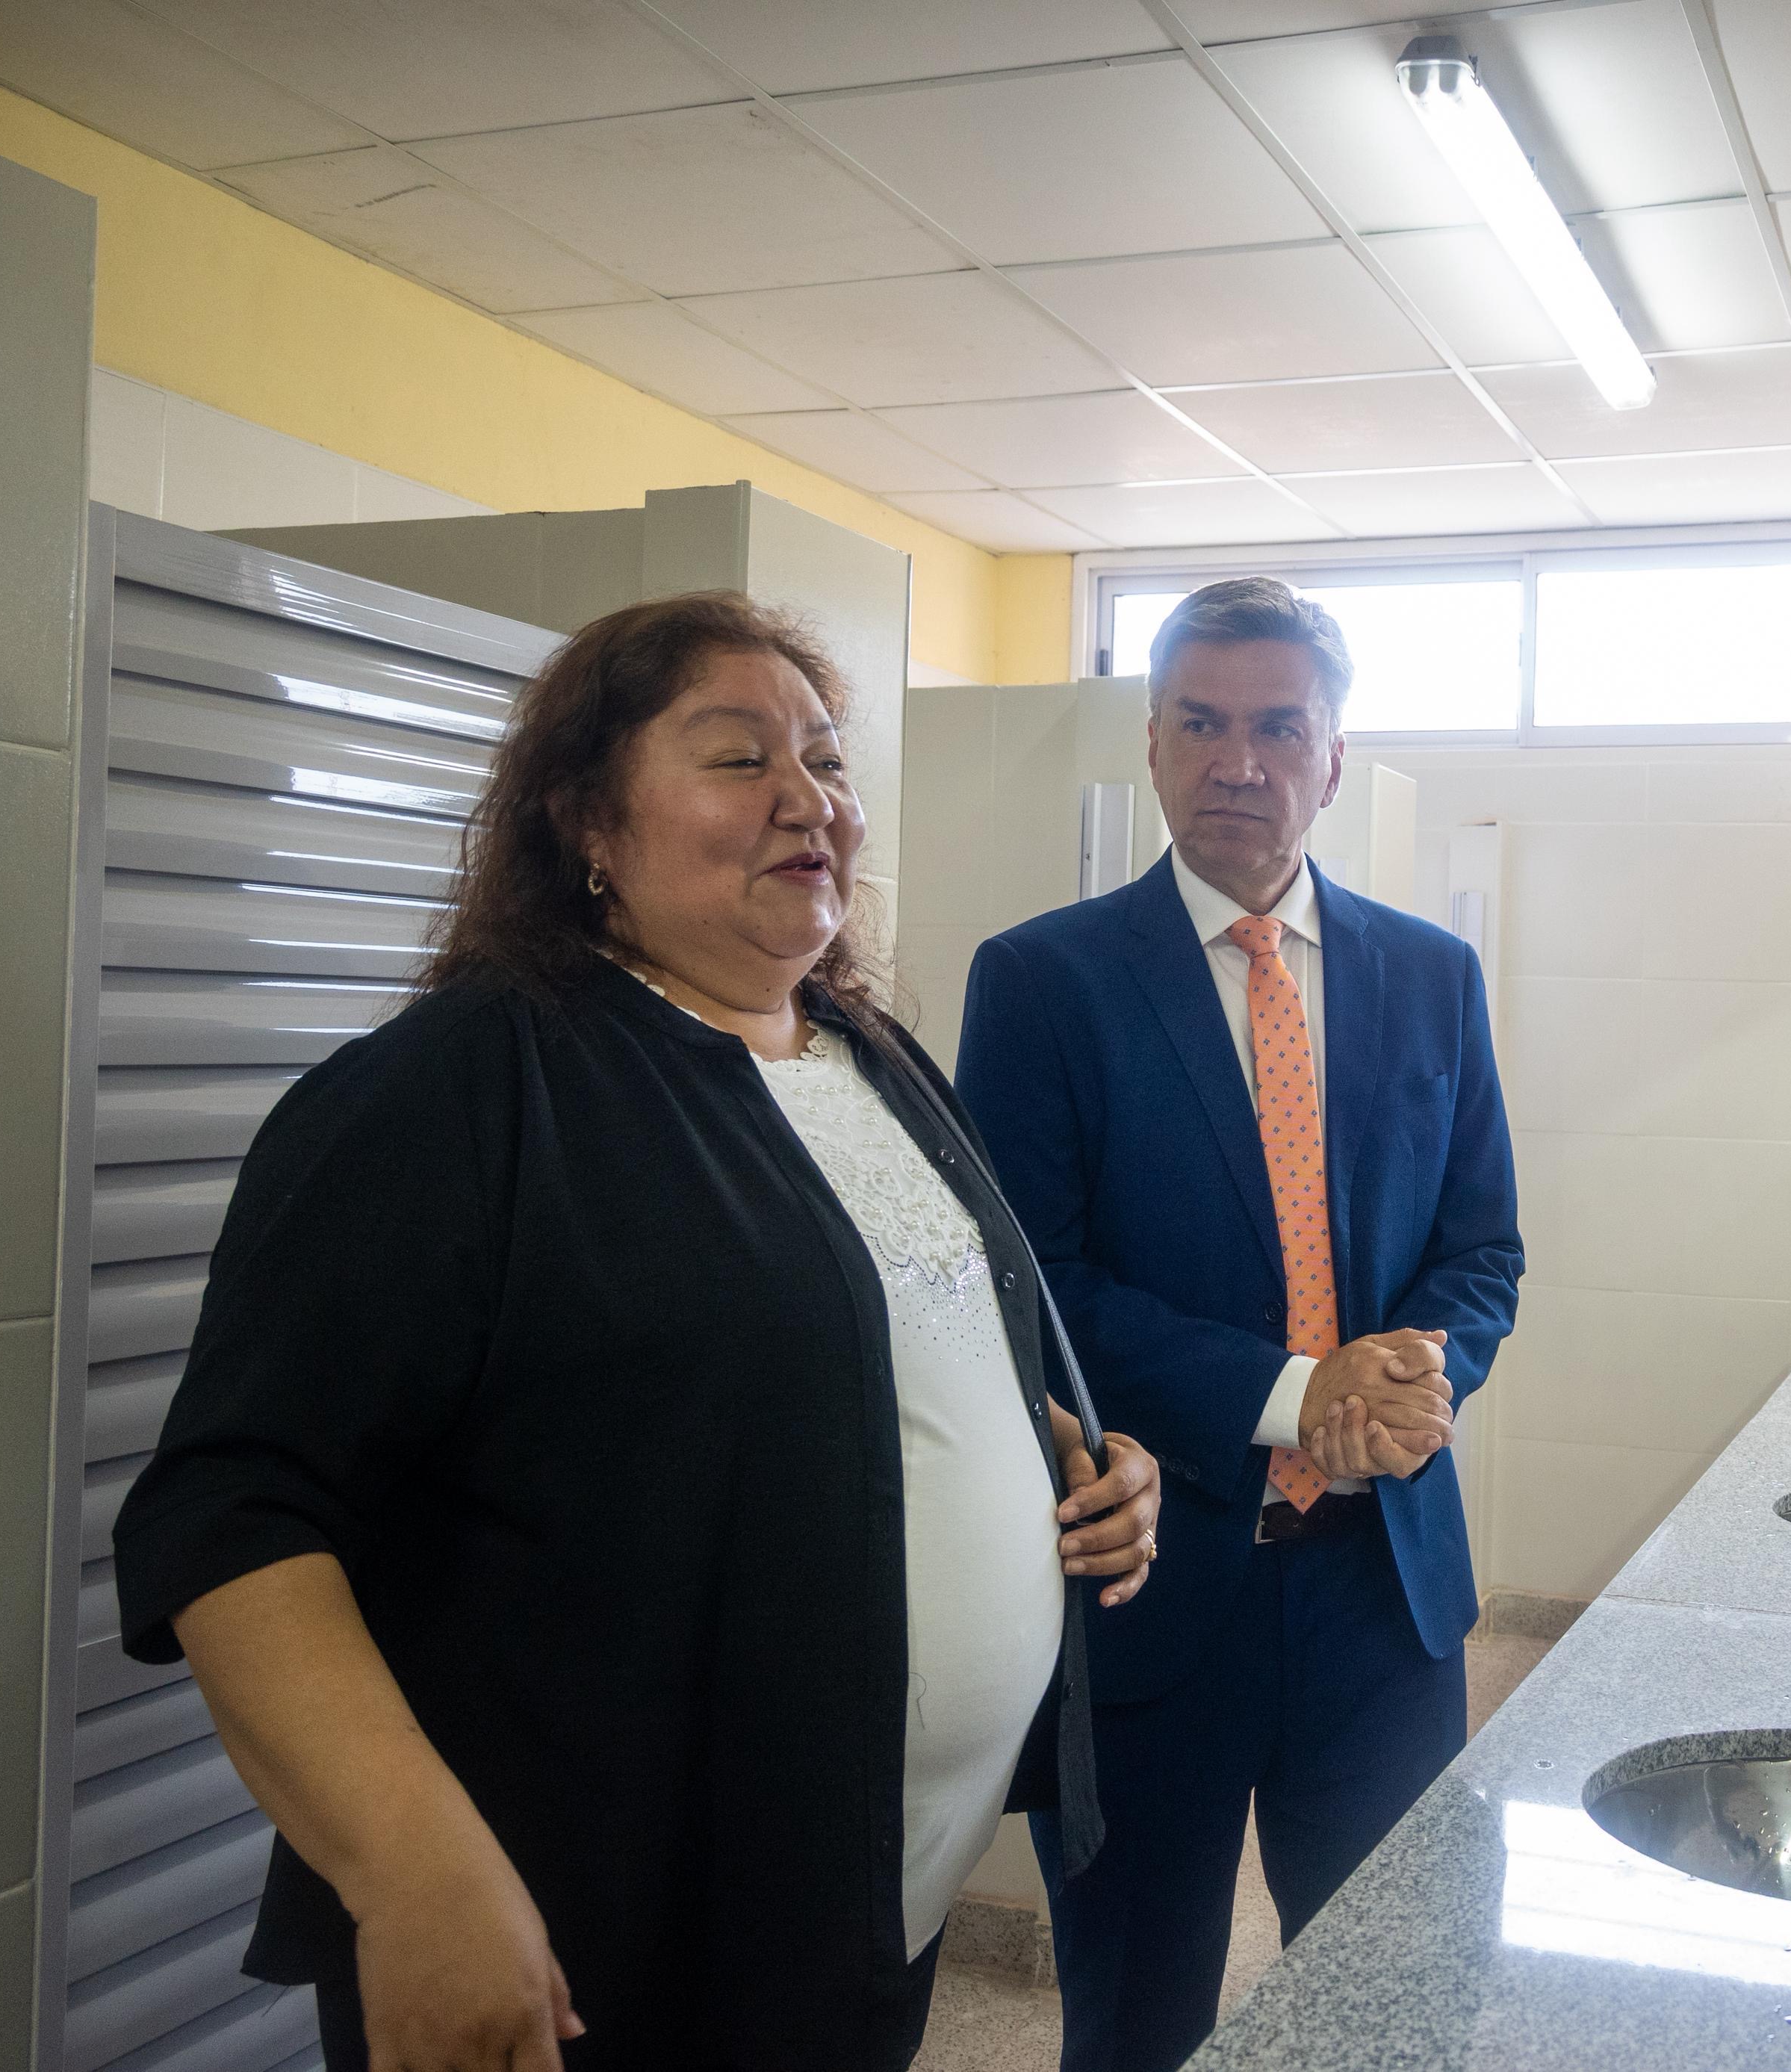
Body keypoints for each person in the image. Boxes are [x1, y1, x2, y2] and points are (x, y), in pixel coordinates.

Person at [113, 591, 1161, 2072]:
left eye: (827, 759)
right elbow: (233, 1513)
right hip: (595, 1942)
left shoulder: (871, 1055)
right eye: (739, 759)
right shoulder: (462, 1089)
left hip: (866, 1905)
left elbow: (859, 1349)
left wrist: (1062, 1457)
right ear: (585, 823)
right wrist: (408, 1871)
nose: (808, 799)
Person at [954, 577, 1524, 2072]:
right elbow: (1032, 1282)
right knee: (1138, 2025)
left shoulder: (1432, 977)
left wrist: (1416, 1372)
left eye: (1278, 727)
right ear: (1151, 744)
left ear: (1333, 758)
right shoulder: (1042, 982)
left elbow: (1482, 1250)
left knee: (1391, 2017)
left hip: (1382, 1598)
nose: (1238, 762)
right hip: (1153, 1600)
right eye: (1201, 723)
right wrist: (1292, 1391)